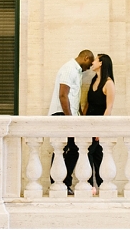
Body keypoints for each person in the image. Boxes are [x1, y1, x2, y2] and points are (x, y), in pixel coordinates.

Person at [48, 50, 94, 194]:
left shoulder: (77, 71)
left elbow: (74, 96)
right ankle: (59, 183)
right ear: (85, 57)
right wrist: (69, 119)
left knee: (71, 148)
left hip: (69, 115)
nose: (90, 67)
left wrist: (79, 115)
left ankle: (63, 182)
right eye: (90, 63)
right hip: (62, 115)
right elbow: (63, 95)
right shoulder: (69, 69)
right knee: (62, 149)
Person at [82, 53, 115, 192]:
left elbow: (109, 108)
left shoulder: (109, 83)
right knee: (96, 153)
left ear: (101, 63)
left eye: (95, 60)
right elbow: (88, 104)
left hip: (99, 124)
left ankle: (92, 185)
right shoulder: (94, 80)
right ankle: (101, 184)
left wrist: (100, 130)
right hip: (88, 123)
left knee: (90, 151)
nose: (92, 62)